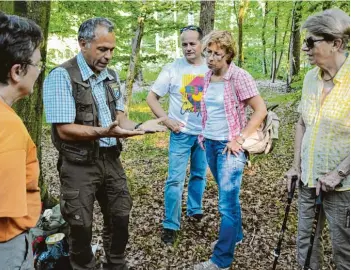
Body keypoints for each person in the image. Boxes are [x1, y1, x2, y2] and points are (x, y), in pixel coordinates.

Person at [43, 17, 166, 270]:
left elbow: (120, 118)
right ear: (83, 44)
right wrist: (101, 131)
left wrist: (141, 127)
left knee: (120, 216)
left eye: (111, 49)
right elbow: (64, 130)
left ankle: (115, 264)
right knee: (80, 224)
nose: (108, 56)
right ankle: (84, 265)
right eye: (102, 49)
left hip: (111, 160)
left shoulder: (111, 75)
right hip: (78, 164)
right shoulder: (62, 76)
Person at [194, 30, 267, 270]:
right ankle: (235, 236)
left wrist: (240, 138)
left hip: (230, 149)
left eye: (217, 54)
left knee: (226, 203)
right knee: (229, 199)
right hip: (210, 144)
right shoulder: (205, 78)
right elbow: (201, 108)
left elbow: (260, 110)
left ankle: (221, 260)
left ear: (228, 55)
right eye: (208, 53)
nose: (211, 58)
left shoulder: (239, 77)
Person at [285, 9, 350, 270]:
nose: (305, 49)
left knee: (343, 247)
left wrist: (340, 172)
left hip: (342, 187)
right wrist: (295, 166)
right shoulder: (311, 78)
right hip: (308, 178)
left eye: (311, 42)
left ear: (336, 43)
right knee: (305, 243)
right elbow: (303, 123)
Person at [147, 25, 209, 244]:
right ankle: (170, 224)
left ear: (202, 44)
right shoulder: (172, 69)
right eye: (184, 44)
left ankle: (195, 209)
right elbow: (151, 97)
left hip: (204, 135)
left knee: (199, 175)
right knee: (175, 180)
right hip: (180, 134)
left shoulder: (212, 67)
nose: (188, 48)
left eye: (193, 43)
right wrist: (167, 120)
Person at [0, 12, 43, 269]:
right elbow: (3, 207)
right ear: (18, 71)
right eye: (38, 64)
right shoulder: (7, 126)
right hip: (4, 247)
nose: (38, 72)